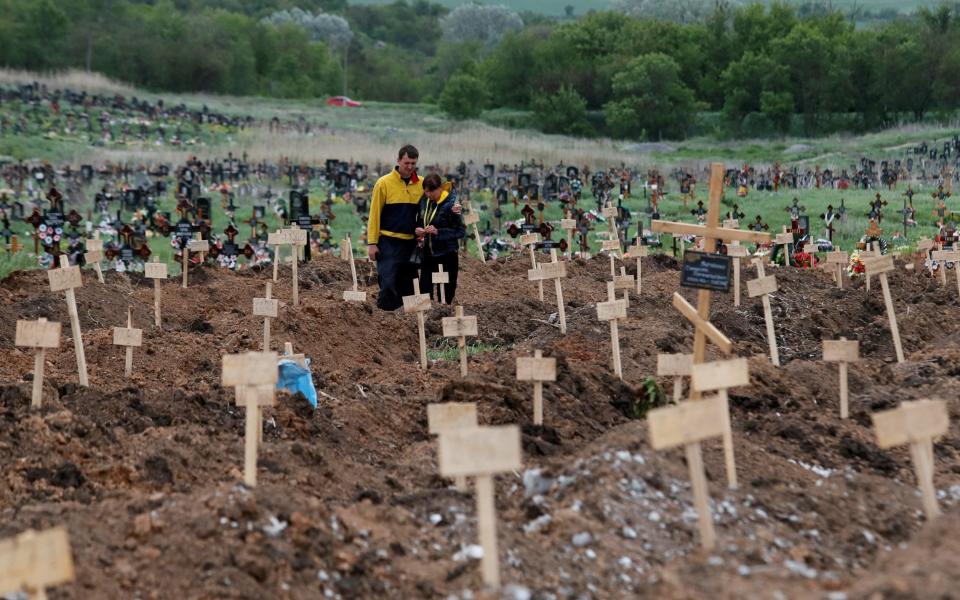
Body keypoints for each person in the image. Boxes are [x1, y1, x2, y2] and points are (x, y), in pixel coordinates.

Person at [367, 145, 423, 310]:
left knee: (409, 286)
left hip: (410, 244)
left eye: (413, 163)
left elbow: (430, 209)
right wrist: (372, 243)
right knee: (388, 283)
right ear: (398, 160)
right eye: (406, 163)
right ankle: (384, 323)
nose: (410, 167)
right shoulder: (383, 183)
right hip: (388, 243)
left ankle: (407, 324)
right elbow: (374, 214)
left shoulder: (421, 184)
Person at [415, 174, 465, 303]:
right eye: (426, 191)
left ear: (440, 188)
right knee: (424, 290)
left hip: (446, 254)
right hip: (428, 254)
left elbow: (460, 231)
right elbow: (420, 220)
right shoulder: (424, 202)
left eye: (432, 191)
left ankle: (444, 317)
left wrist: (438, 232)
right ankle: (427, 320)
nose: (429, 195)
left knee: (446, 293)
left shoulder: (451, 205)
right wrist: (418, 230)